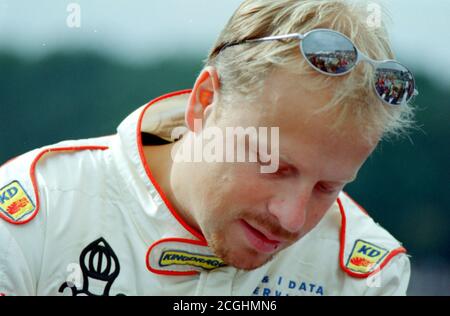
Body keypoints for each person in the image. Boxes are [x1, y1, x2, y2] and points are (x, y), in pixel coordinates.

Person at [0, 0, 416, 296]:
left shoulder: (366, 275)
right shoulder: (36, 216)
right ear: (203, 103)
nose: (291, 219)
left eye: (328, 187)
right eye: (271, 162)